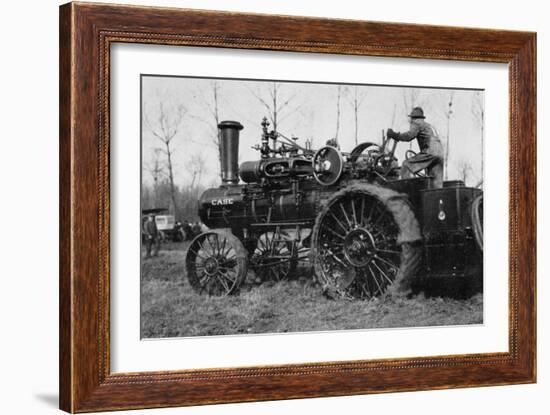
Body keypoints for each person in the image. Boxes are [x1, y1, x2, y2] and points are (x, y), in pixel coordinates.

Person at [386, 107, 444, 188]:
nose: (411, 121)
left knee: (406, 165)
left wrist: (396, 135)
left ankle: (406, 194)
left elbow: (409, 135)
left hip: (430, 151)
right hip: (440, 153)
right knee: (435, 182)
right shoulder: (428, 125)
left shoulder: (417, 123)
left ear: (413, 118)